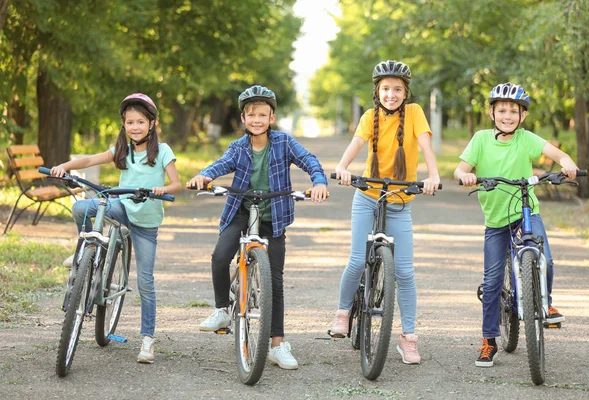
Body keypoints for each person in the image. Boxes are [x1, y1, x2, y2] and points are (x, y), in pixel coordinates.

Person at [186, 85, 328, 370]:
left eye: (262, 115)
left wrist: (319, 181)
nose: (257, 120)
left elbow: (309, 160)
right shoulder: (238, 147)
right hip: (240, 210)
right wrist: (203, 175)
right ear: (243, 119)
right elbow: (221, 165)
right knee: (220, 256)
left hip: (272, 215)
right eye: (251, 115)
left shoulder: (284, 143)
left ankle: (277, 345)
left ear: (272, 117)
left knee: (274, 281)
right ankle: (221, 310)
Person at [453, 82, 579, 367]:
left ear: (522, 116)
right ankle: (488, 340)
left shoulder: (526, 139)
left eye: (513, 111)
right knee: (493, 281)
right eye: (502, 110)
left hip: (526, 212)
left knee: (544, 257)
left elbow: (556, 154)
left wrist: (567, 163)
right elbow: (460, 168)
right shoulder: (481, 139)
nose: (507, 116)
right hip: (496, 220)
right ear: (491, 113)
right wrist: (466, 175)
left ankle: (544, 304)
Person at [50, 93, 182, 364]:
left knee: (145, 282)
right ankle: (86, 248)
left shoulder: (162, 151)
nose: (135, 127)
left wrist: (162, 189)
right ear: (123, 125)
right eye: (129, 122)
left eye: (140, 122)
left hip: (146, 222)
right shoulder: (123, 150)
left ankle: (147, 339)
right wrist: (64, 166)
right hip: (122, 207)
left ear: (152, 124)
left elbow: (176, 185)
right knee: (82, 208)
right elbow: (89, 160)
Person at [328, 60, 440, 365]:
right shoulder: (370, 116)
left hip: (400, 201)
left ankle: (409, 338)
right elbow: (356, 144)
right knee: (356, 258)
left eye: (398, 89)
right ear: (378, 90)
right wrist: (342, 167)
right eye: (386, 88)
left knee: (404, 271)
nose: (392, 94)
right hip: (367, 196)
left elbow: (426, 146)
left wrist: (432, 175)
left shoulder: (415, 113)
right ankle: (342, 313)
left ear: (406, 92)